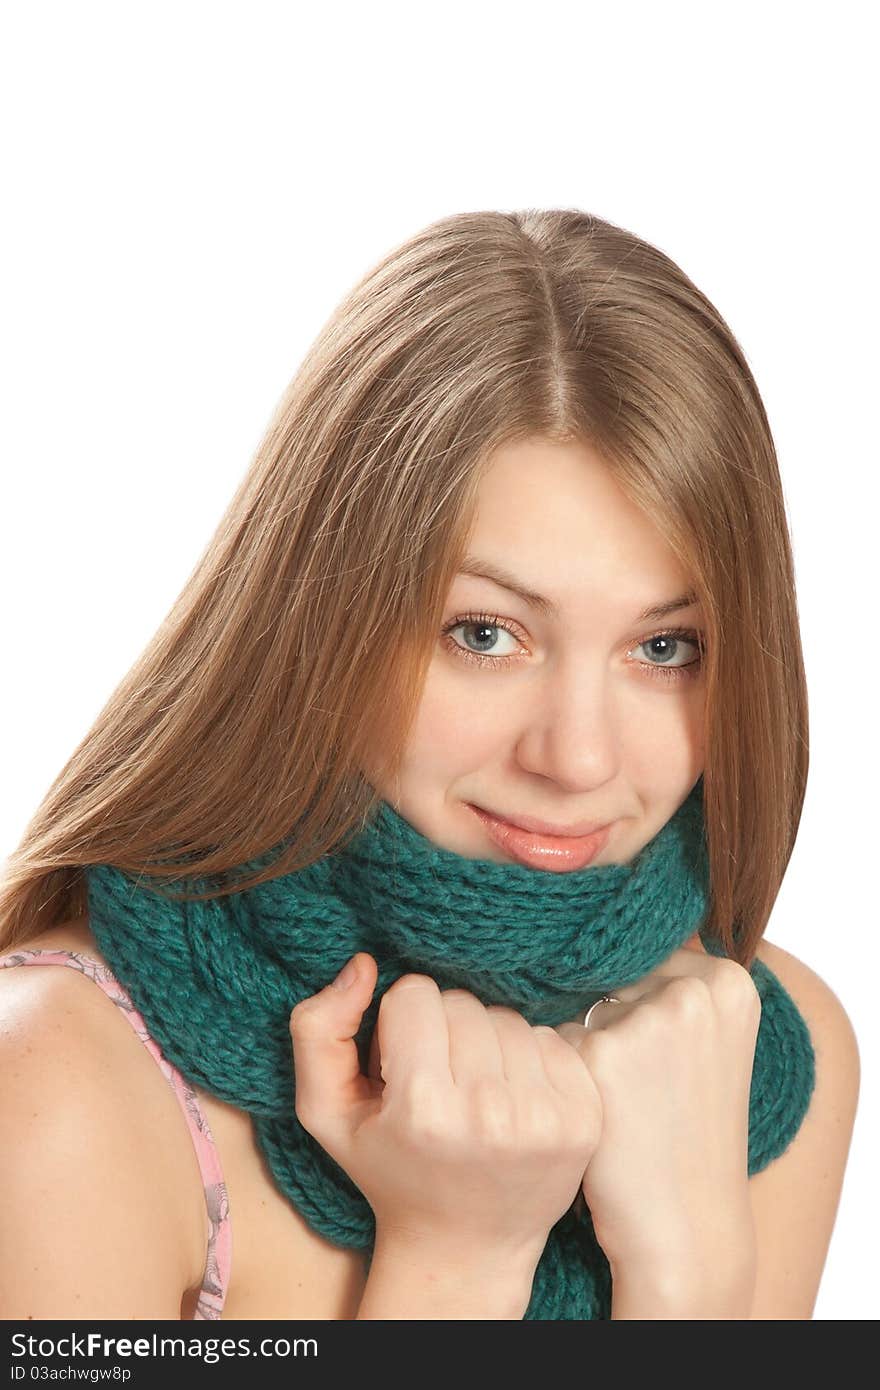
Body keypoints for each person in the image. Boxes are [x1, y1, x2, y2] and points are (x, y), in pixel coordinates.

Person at [0, 209, 859, 1321]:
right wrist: (455, 1258)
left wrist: (689, 1276)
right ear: (321, 623)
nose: (577, 755)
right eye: (485, 634)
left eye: (664, 648)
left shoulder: (756, 1059)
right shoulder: (56, 1087)